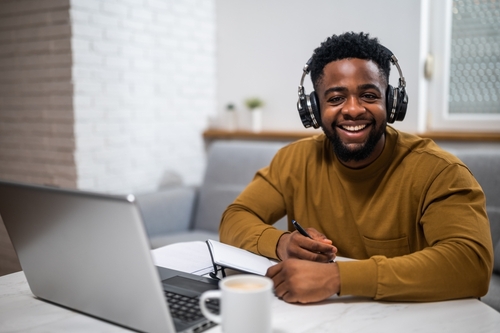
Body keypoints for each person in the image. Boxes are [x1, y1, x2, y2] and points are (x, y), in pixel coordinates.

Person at [219, 32, 493, 304]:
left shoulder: (439, 171)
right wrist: (282, 243)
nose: (353, 110)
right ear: (314, 108)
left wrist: (337, 278)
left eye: (369, 95)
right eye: (336, 98)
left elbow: (471, 264)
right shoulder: (293, 160)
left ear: (391, 102)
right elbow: (235, 218)